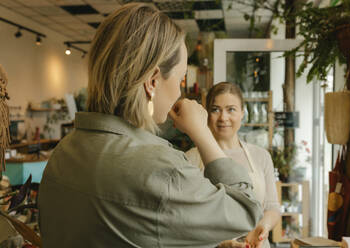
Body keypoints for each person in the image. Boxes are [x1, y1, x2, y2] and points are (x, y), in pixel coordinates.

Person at [37, 3, 262, 248]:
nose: (179, 90)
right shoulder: (161, 168)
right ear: (153, 82)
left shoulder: (64, 151)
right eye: (180, 78)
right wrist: (202, 132)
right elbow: (246, 209)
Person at [186, 82, 280, 248]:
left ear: (242, 113)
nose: (223, 117)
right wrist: (219, 243)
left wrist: (262, 228)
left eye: (231, 109)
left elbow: (272, 207)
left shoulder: (261, 156)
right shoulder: (191, 158)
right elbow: (187, 216)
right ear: (206, 114)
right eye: (215, 109)